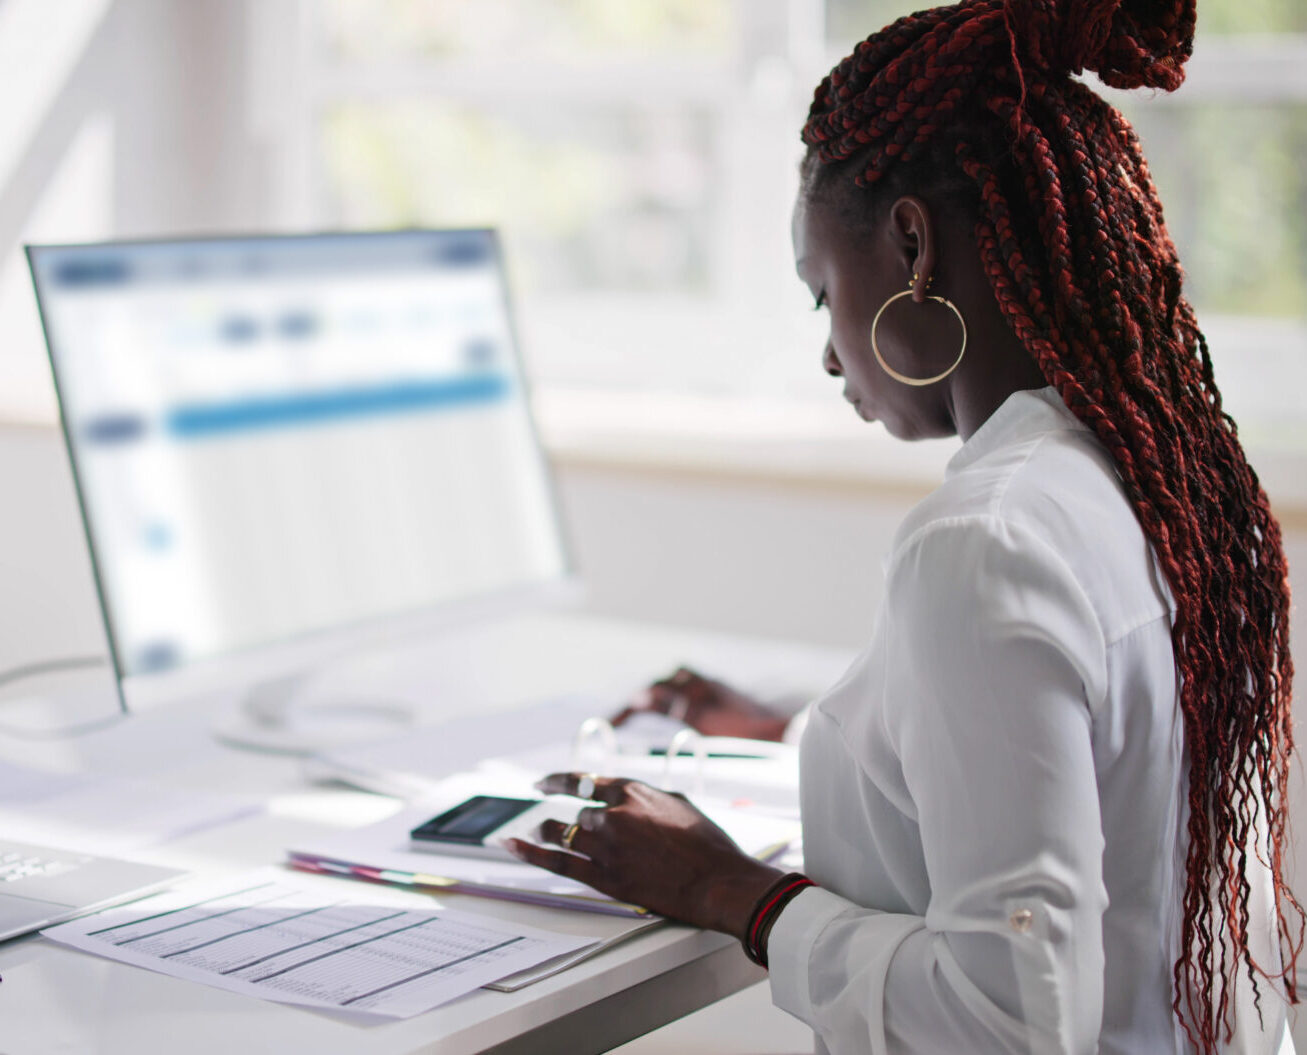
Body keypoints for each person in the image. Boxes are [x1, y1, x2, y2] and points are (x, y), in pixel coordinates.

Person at [506, 0, 1303, 1050]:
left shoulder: (984, 537)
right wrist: (826, 735)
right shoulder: (1169, 480)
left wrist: (725, 888)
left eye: (819, 289)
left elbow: (1008, 1019)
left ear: (910, 245)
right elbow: (1095, 784)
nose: (830, 353)